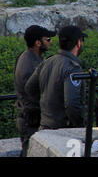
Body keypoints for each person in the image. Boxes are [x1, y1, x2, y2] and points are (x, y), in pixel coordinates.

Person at [25, 25, 88, 130]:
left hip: (45, 127)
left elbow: (29, 88)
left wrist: (47, 107)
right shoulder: (72, 68)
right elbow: (71, 103)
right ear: (78, 43)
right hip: (63, 130)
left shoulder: (47, 61)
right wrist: (79, 125)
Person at [14, 25, 56, 156]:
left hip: (29, 118)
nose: (51, 42)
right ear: (38, 43)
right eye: (48, 39)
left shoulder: (28, 57)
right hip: (30, 121)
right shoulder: (31, 64)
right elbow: (33, 92)